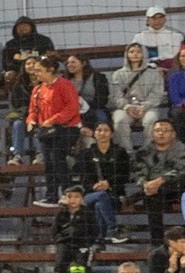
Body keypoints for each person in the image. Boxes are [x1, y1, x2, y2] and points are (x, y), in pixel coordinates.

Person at [27, 55, 84, 201]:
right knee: (48, 162)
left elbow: (72, 107)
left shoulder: (64, 85)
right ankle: (51, 195)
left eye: (39, 70)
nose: (36, 73)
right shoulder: (37, 90)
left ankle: (66, 192)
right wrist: (31, 120)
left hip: (67, 128)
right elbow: (33, 110)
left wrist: (53, 120)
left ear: (50, 70)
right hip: (48, 132)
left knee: (57, 156)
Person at [131, 119, 185, 243]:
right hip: (154, 191)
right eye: (158, 130)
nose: (161, 133)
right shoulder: (143, 151)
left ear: (173, 134)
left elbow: (183, 169)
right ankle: (157, 241)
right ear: (152, 133)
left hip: (177, 189)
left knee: (183, 179)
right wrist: (145, 184)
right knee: (152, 195)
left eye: (165, 130)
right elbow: (138, 173)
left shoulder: (182, 149)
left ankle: (134, 197)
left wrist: (159, 181)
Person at [72, 121, 132, 244]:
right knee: (100, 196)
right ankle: (114, 230)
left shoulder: (120, 152)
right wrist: (94, 186)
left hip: (114, 195)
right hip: (90, 195)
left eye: (106, 130)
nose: (102, 133)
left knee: (100, 204)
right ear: (94, 133)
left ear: (112, 134)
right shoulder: (87, 153)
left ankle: (99, 240)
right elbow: (83, 177)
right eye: (99, 130)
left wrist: (109, 183)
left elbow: (124, 175)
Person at [107, 43, 168, 140]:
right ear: (127, 55)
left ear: (144, 54)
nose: (135, 54)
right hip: (124, 108)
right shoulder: (118, 74)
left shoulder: (154, 74)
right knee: (120, 120)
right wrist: (127, 106)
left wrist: (144, 106)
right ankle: (125, 148)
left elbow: (157, 94)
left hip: (148, 108)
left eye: (139, 52)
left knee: (151, 119)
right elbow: (116, 95)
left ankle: (149, 147)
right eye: (131, 52)